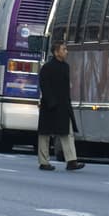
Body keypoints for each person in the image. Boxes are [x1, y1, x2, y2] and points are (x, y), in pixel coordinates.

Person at [37, 41, 83, 171]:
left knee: (67, 133)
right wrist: (51, 102)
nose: (66, 51)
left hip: (63, 106)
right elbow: (44, 86)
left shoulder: (66, 67)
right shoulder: (47, 67)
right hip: (49, 106)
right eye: (64, 49)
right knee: (45, 134)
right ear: (56, 52)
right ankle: (44, 162)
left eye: (66, 49)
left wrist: (67, 103)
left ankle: (71, 161)